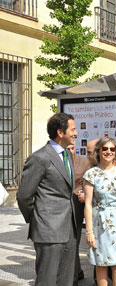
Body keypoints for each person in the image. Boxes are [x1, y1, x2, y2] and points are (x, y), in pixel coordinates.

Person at [17, 112, 78, 286]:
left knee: (66, 280)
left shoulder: (67, 155)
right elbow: (24, 196)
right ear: (60, 132)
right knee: (47, 280)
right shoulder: (40, 157)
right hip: (48, 231)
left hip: (69, 230)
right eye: (73, 129)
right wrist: (38, 219)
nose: (76, 133)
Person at [84, 138, 116, 286]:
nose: (108, 152)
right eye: (105, 148)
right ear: (99, 151)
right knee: (101, 263)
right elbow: (87, 204)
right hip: (100, 222)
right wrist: (89, 232)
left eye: (112, 149)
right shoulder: (91, 174)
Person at [67, 144, 92, 283]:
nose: (70, 150)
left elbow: (87, 182)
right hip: (63, 204)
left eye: (72, 148)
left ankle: (75, 274)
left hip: (77, 202)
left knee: (74, 238)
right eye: (68, 148)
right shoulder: (59, 160)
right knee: (69, 239)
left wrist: (82, 191)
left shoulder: (84, 162)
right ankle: (77, 271)